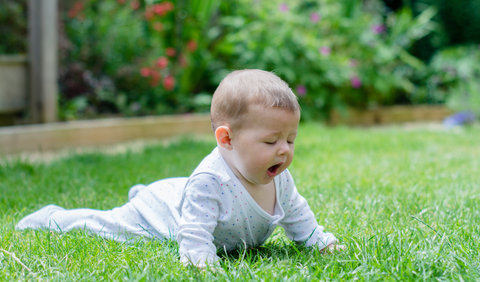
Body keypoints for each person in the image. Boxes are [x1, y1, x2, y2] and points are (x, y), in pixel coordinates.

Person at [16, 69, 342, 267]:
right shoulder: (210, 181)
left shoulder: (279, 178)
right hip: (161, 214)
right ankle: (52, 217)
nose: (283, 150)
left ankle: (141, 192)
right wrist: (203, 264)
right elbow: (195, 236)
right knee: (108, 224)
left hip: (179, 193)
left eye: (291, 140)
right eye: (271, 142)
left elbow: (297, 214)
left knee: (178, 195)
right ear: (226, 139)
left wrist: (320, 242)